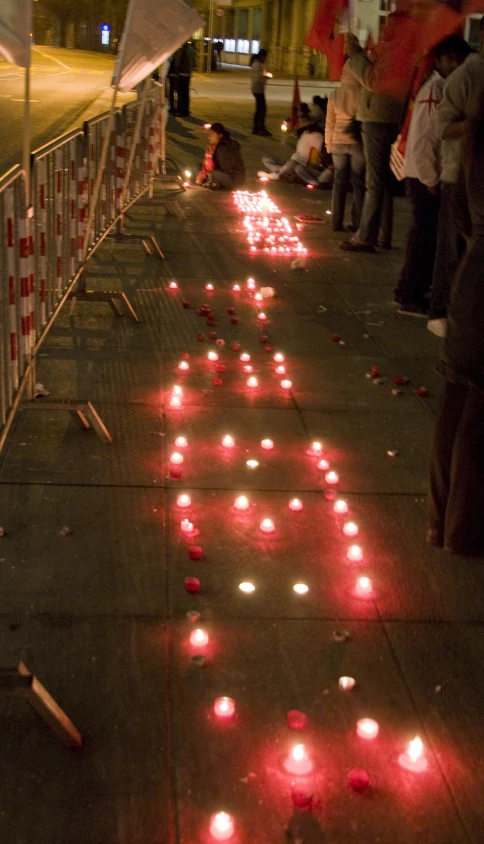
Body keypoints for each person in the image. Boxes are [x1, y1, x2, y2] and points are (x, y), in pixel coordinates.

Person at [427, 100, 484, 556]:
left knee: (455, 402)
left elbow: (463, 218)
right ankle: (463, 532)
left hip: (472, 275)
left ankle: (439, 521)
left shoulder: (476, 138)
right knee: (477, 416)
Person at [394, 35, 471, 318]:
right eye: (454, 61)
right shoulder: (437, 88)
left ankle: (407, 289)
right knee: (425, 238)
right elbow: (426, 139)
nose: (457, 67)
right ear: (443, 60)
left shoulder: (437, 86)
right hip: (423, 174)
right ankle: (410, 294)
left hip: (422, 172)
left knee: (421, 236)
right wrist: (430, 178)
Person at [429, 17, 484, 337]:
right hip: (458, 175)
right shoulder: (468, 75)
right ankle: (442, 311)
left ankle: (467, 314)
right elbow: (442, 129)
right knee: (452, 248)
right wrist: (473, 125)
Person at [340, 32, 406, 252]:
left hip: (379, 119)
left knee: (374, 183)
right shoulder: (397, 50)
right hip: (381, 118)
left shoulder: (399, 51)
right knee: (382, 183)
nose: (387, 25)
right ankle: (382, 235)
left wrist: (356, 55)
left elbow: (374, 81)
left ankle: (366, 236)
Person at [325, 58, 365, 232]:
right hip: (358, 142)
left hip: (338, 141)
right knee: (358, 182)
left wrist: (328, 145)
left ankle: (336, 222)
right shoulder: (364, 92)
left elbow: (329, 122)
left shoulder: (335, 94)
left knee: (339, 182)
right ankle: (358, 223)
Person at [258, 122, 324, 182]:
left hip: (304, 166)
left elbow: (318, 158)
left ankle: (278, 175)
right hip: (294, 164)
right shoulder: (305, 133)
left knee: (295, 160)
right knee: (266, 158)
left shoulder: (318, 136)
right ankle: (286, 174)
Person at [201, 123, 245, 190]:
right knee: (199, 167)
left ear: (220, 136)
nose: (209, 137)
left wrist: (210, 173)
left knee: (212, 173)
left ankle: (213, 183)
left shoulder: (222, 148)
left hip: (234, 179)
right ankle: (214, 181)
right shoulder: (220, 145)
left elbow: (226, 168)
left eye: (212, 134)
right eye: (208, 134)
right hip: (233, 177)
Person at [250, 49, 272, 136]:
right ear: (262, 56)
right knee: (262, 109)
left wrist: (265, 75)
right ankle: (260, 128)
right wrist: (266, 77)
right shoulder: (257, 65)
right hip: (258, 89)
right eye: (265, 57)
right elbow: (257, 78)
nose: (265, 59)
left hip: (258, 89)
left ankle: (256, 127)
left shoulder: (258, 64)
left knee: (259, 109)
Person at [171, 42, 195, 117]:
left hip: (181, 73)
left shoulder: (181, 50)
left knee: (180, 93)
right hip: (188, 73)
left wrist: (176, 72)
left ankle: (181, 110)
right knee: (186, 93)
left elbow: (177, 62)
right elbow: (194, 61)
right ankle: (186, 110)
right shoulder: (191, 49)